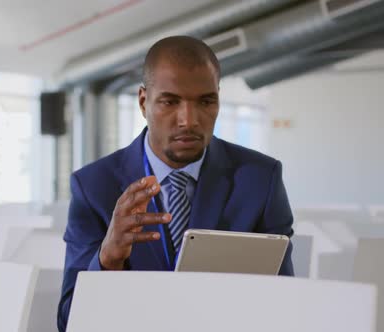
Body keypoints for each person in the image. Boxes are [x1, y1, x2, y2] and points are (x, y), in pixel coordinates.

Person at [57, 35, 294, 332]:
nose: (189, 120)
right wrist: (107, 260)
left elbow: (286, 303)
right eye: (170, 101)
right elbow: (68, 321)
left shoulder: (260, 179)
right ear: (144, 102)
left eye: (206, 101)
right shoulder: (93, 186)